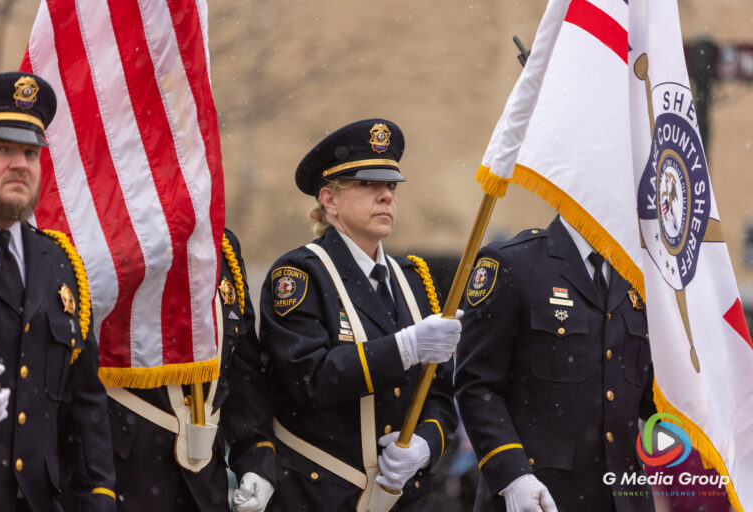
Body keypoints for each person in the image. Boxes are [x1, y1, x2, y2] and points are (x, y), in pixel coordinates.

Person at [258, 118, 460, 511]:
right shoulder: (301, 274)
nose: (386, 196)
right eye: (368, 185)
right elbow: (310, 379)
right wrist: (404, 347)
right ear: (329, 201)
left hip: (405, 496)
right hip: (323, 493)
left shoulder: (414, 279)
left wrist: (425, 444)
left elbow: (440, 392)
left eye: (391, 186)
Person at [455, 215, 656, 512]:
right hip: (538, 495)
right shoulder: (515, 262)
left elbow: (649, 395)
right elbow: (477, 384)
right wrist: (513, 475)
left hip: (624, 499)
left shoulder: (640, 272)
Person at [0, 71, 116, 511]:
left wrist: (99, 496)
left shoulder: (58, 263)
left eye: (29, 152)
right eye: (1, 149)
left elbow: (85, 403)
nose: (19, 164)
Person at [103, 228, 276, 511]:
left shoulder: (222, 242)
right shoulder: (107, 227)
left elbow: (240, 366)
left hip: (205, 483)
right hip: (123, 475)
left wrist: (257, 458)